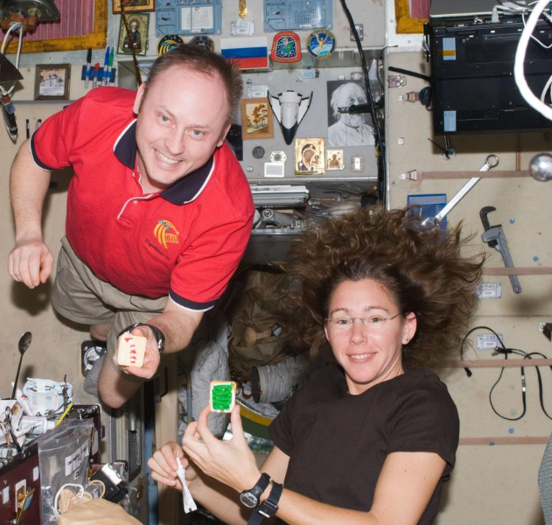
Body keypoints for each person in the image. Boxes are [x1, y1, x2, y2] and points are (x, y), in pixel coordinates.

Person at [148, 207, 484, 525]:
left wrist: (254, 483)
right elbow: (260, 515)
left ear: (407, 327)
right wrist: (197, 481)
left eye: (376, 318)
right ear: (326, 330)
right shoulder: (318, 390)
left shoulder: (422, 405)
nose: (357, 336)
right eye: (342, 321)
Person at [8, 45, 254, 409]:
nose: (173, 146)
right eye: (165, 118)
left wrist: (152, 335)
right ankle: (108, 331)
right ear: (140, 98)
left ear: (222, 136)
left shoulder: (229, 211)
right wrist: (28, 234)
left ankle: (153, 327)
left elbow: (181, 319)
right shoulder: (96, 113)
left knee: (111, 397)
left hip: (153, 300)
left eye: (198, 132)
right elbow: (35, 156)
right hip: (82, 260)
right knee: (87, 322)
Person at [327, 82, 374, 148]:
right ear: (338, 105)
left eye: (361, 100)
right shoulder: (330, 135)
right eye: (351, 100)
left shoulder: (370, 131)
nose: (357, 105)